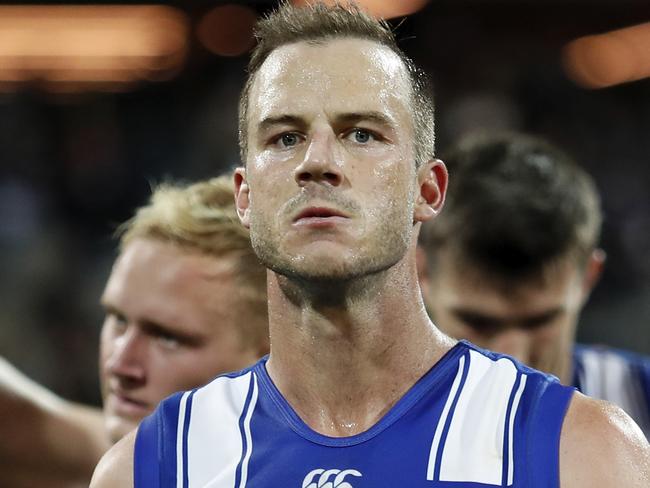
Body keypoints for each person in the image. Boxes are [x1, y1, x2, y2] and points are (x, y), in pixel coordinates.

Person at [92, 3, 650, 487]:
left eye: (362, 133)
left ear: (427, 189)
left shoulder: (585, 452)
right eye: (285, 137)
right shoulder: (148, 468)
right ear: (244, 195)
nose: (317, 162)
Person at [0, 176, 269, 487]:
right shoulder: (123, 464)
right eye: (118, 320)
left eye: (168, 337)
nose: (120, 364)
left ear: (266, 362)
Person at [417, 132, 650, 437]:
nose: (513, 358)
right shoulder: (359, 415)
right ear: (420, 273)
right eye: (478, 321)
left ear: (588, 277)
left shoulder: (641, 402)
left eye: (540, 320)